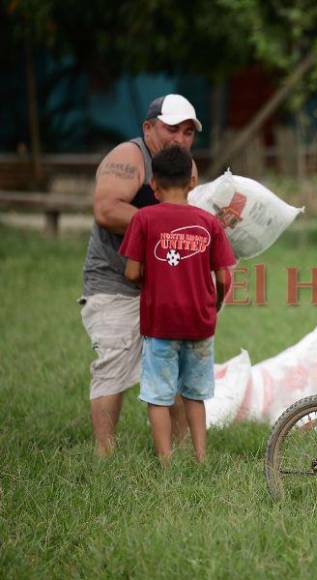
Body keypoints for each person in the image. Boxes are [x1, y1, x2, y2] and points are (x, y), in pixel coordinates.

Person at [80, 94, 203, 456]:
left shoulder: (186, 168)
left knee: (179, 365)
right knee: (115, 360)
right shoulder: (129, 157)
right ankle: (106, 454)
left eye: (187, 131)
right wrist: (162, 223)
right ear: (148, 128)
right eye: (171, 129)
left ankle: (180, 455)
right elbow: (106, 209)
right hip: (113, 282)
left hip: (164, 287)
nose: (180, 138)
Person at [119, 146, 235, 465]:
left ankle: (166, 462)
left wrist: (153, 280)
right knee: (195, 395)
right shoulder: (208, 222)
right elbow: (223, 277)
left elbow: (131, 271)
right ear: (192, 182)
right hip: (199, 322)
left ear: (153, 184)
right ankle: (200, 458)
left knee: (158, 395)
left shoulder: (144, 218)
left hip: (160, 323)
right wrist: (217, 304)